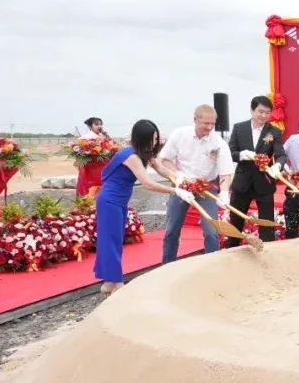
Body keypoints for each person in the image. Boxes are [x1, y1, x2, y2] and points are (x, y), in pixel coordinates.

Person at [96, 120, 195, 294]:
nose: (155, 142)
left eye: (156, 138)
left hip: (120, 200)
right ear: (143, 138)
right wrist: (175, 191)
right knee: (110, 241)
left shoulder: (143, 153)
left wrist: (179, 177)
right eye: (152, 138)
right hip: (109, 200)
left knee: (116, 239)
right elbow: (147, 183)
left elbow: (160, 168)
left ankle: (109, 282)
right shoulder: (131, 156)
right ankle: (116, 283)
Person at [158, 105, 235, 263]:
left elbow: (225, 172)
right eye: (206, 123)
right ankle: (167, 266)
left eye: (212, 124)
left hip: (206, 188)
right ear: (195, 119)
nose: (209, 127)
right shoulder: (180, 134)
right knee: (171, 230)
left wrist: (224, 192)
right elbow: (165, 160)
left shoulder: (219, 143)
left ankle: (212, 266)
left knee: (212, 232)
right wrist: (178, 175)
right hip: (182, 186)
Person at [226, 96, 287, 246]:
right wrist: (243, 154)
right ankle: (231, 252)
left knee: (267, 226)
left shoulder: (274, 131)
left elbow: (281, 155)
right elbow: (230, 153)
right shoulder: (239, 128)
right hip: (242, 184)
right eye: (261, 112)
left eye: (267, 113)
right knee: (235, 223)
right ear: (252, 110)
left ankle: (267, 254)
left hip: (264, 183)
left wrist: (277, 166)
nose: (264, 116)